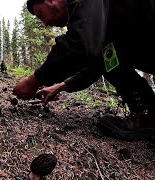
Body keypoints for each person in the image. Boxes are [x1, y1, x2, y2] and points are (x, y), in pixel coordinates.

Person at [13, 0, 155, 140]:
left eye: (41, 14)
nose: (45, 23)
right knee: (107, 55)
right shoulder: (100, 20)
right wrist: (61, 86)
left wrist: (33, 81)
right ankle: (148, 115)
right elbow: (96, 64)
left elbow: (80, 43)